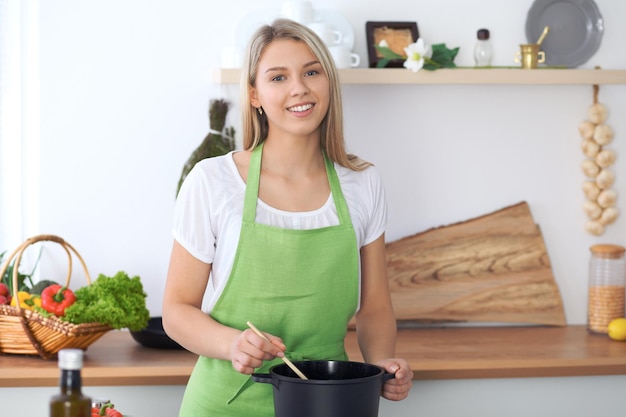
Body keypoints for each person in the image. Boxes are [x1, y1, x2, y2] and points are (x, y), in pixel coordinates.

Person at [162, 18, 413, 416]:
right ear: (255, 94)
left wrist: (382, 361)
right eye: (278, 77)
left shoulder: (363, 183)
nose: (299, 87)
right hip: (225, 404)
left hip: (329, 402)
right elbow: (176, 311)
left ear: (328, 82)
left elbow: (376, 306)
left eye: (311, 72)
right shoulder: (214, 181)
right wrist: (232, 344)